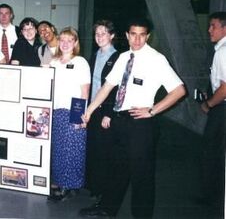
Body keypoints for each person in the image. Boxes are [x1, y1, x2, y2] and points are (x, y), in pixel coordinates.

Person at [79, 18, 186, 218]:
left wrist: (153, 110)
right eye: (133, 34)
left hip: (141, 124)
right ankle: (107, 208)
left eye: (142, 34)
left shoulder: (156, 59)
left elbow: (179, 90)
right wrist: (89, 111)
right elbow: (107, 86)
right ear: (127, 35)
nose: (137, 39)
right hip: (121, 120)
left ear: (148, 36)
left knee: (142, 176)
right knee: (117, 168)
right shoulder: (124, 57)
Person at [48, 27, 91, 201]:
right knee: (58, 150)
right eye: (62, 40)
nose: (65, 43)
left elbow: (84, 92)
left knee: (72, 150)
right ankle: (59, 182)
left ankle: (69, 185)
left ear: (75, 43)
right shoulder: (53, 62)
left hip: (72, 111)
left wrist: (79, 117)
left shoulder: (80, 62)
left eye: (69, 40)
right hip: (55, 111)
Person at [84, 19, 119, 206]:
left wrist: (109, 113)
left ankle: (102, 189)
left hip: (105, 111)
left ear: (112, 35)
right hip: (92, 108)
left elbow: (118, 89)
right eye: (97, 33)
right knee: (93, 148)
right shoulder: (94, 55)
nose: (99, 37)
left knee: (104, 151)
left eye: (103, 33)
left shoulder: (118, 58)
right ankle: (93, 185)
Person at [197, 12, 226, 215]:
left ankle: (212, 197)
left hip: (222, 109)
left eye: (213, 26)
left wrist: (208, 104)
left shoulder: (223, 51)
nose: (209, 30)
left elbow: (225, 87)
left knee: (211, 152)